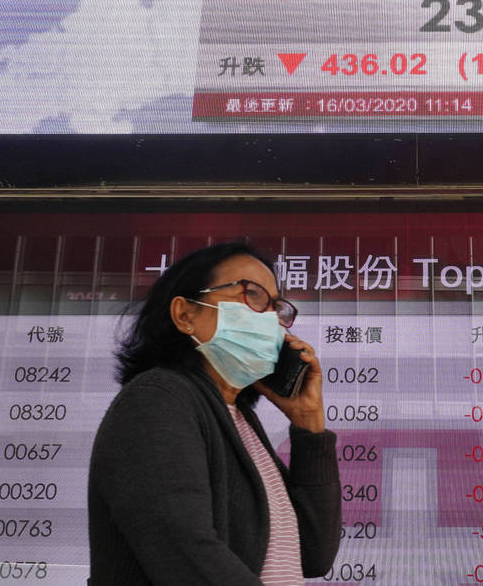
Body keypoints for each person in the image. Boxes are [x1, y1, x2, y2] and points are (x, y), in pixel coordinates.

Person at [88, 242, 340, 585]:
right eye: (251, 294)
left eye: (276, 308)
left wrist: (309, 425)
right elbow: (185, 554)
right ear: (185, 315)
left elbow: (313, 554)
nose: (269, 318)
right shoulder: (156, 399)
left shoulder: (237, 420)